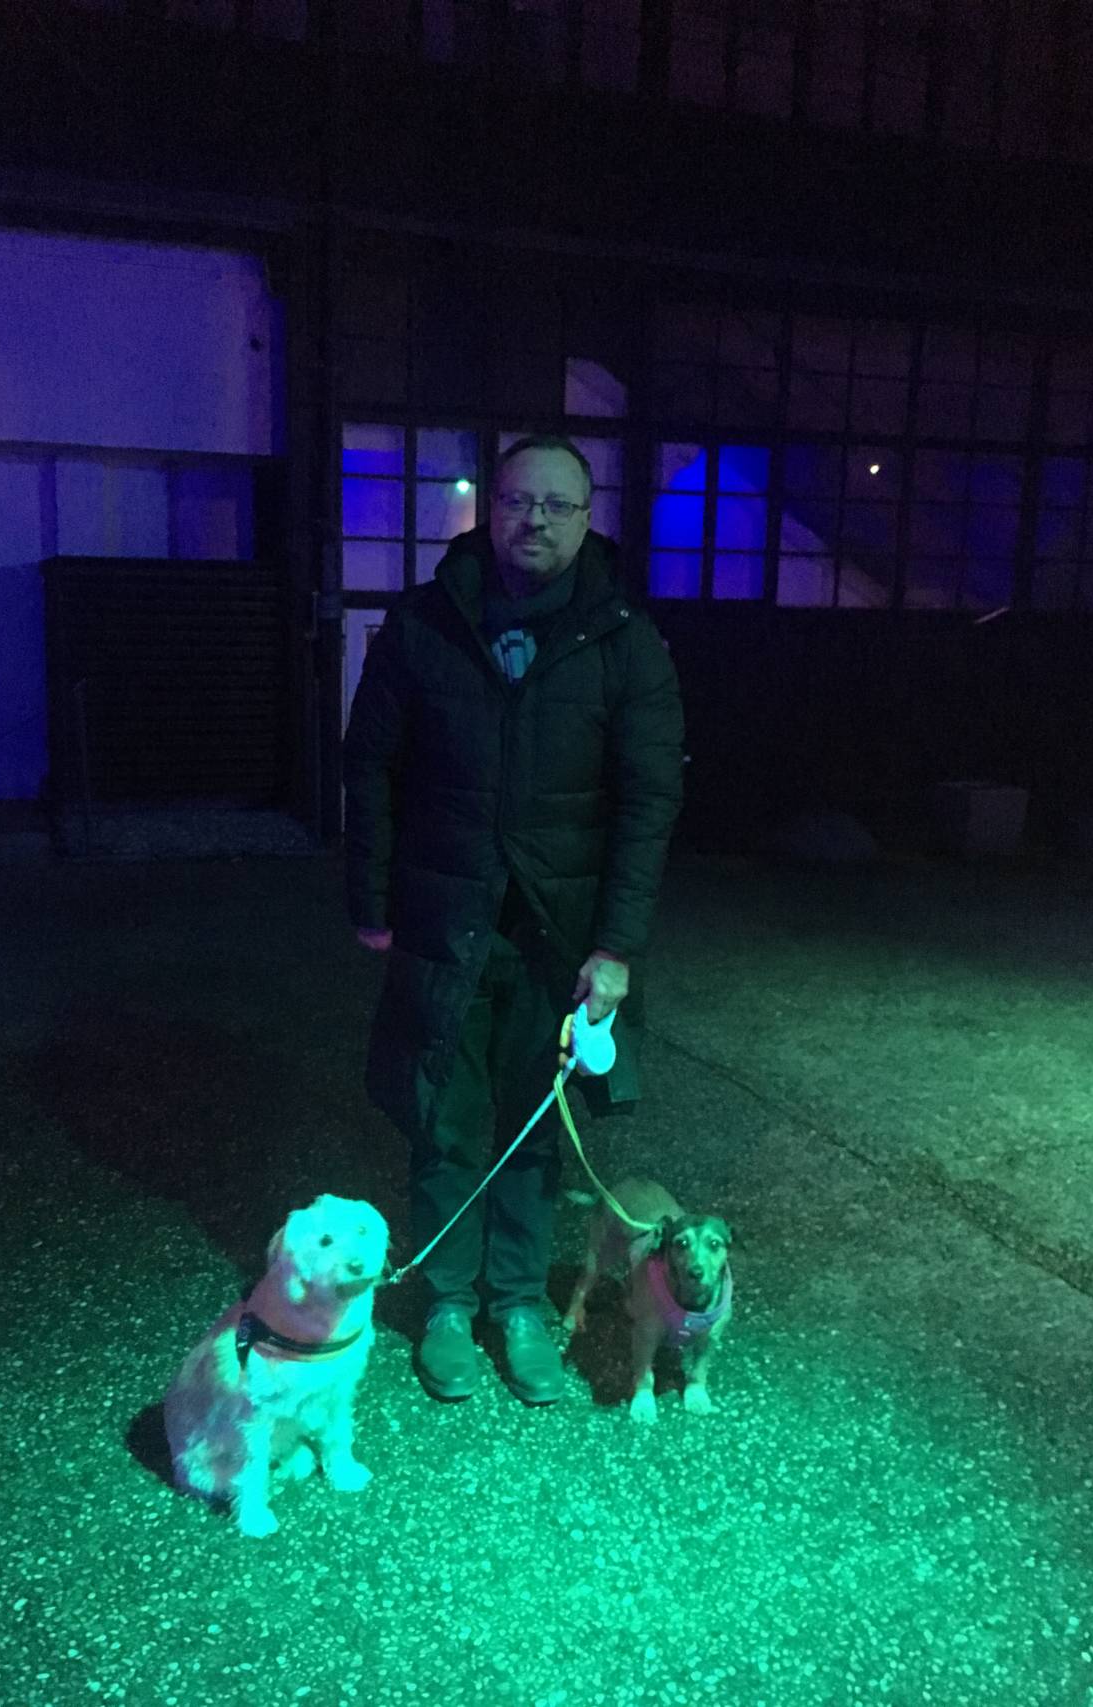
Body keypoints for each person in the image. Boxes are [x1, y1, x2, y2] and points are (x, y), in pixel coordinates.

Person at [343, 435, 684, 1405]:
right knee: (443, 1120)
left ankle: (520, 1303)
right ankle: (449, 1305)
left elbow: (648, 800)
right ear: (489, 509)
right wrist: (371, 901)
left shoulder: (623, 639)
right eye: (517, 501)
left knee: (535, 1128)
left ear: (586, 517)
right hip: (444, 916)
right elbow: (370, 766)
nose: (534, 520)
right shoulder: (423, 624)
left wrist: (615, 947)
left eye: (556, 505)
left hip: (558, 933)